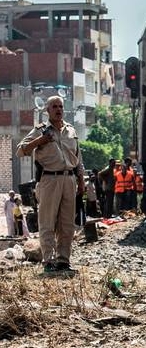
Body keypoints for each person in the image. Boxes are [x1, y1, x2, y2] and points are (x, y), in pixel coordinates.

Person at [16, 95, 84, 275]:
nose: (58, 109)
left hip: (69, 179)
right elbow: (20, 151)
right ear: (47, 110)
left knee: (67, 224)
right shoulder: (40, 130)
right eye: (54, 106)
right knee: (47, 222)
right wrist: (40, 141)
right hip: (49, 179)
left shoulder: (71, 130)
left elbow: (78, 159)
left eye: (60, 106)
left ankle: (63, 261)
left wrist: (81, 180)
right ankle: (48, 262)